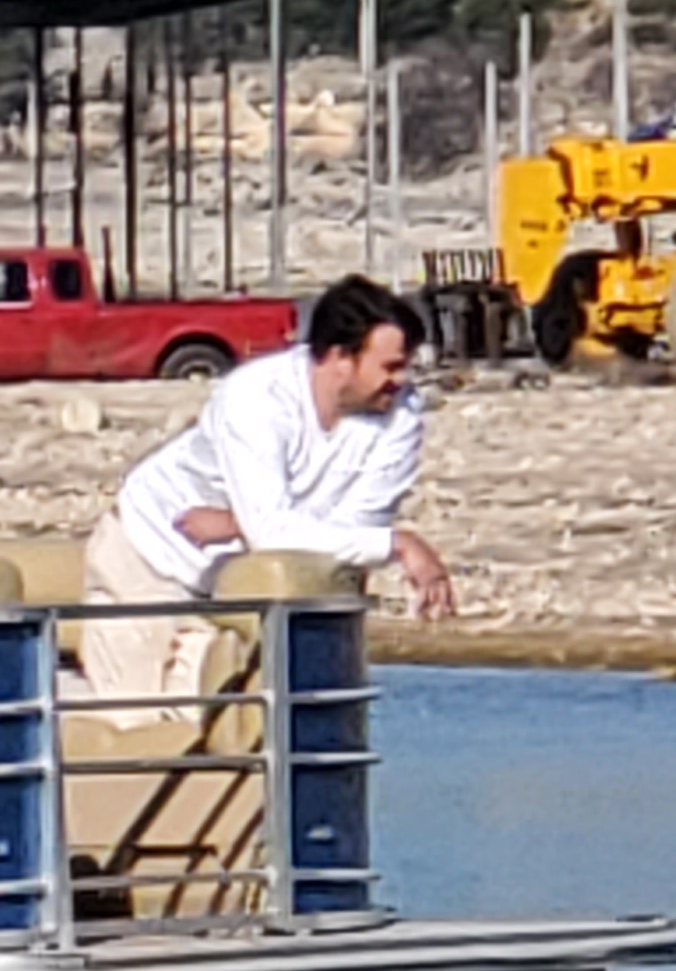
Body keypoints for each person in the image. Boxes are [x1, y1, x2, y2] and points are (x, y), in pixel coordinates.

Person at [77, 274, 456, 698]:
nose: (403, 380)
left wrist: (242, 524)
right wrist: (398, 544)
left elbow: (350, 528)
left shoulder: (400, 417)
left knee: (234, 724)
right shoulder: (257, 397)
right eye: (390, 366)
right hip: (151, 553)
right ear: (338, 357)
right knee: (137, 728)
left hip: (245, 581)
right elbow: (279, 533)